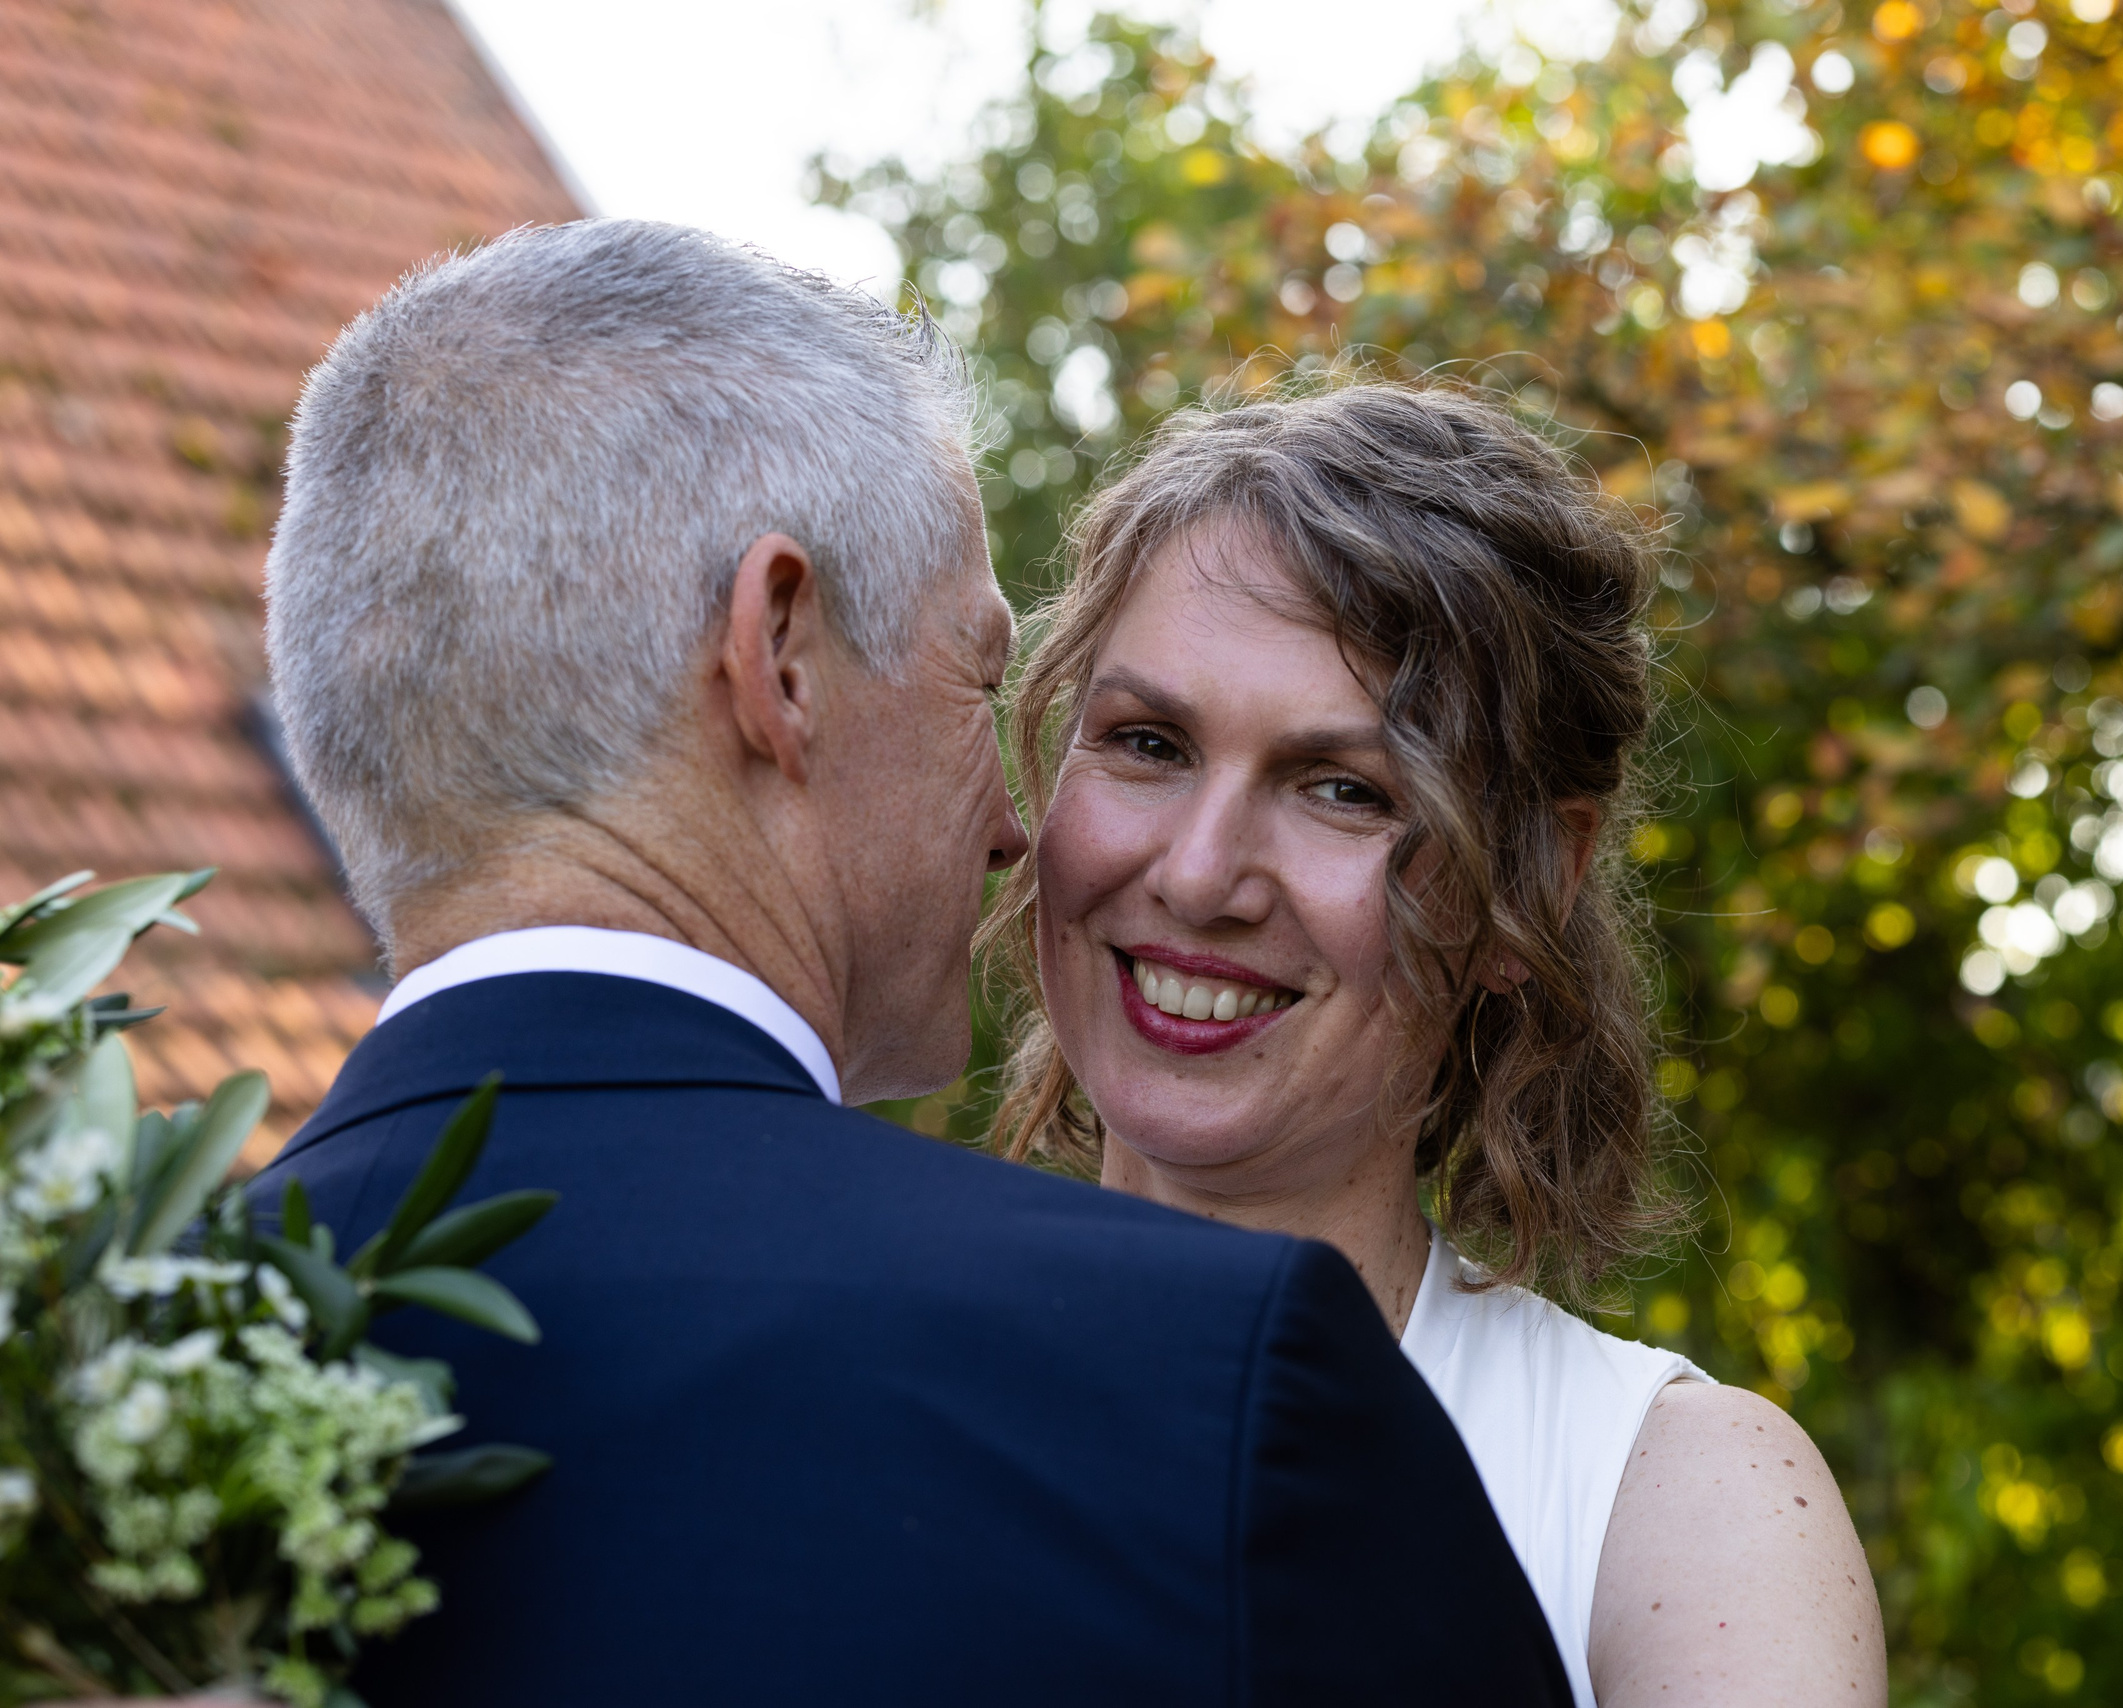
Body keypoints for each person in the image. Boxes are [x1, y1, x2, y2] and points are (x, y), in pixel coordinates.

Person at [252, 223, 1568, 1707]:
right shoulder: (1205, 1389)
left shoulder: (91, 1374)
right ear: (782, 655)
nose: (1017, 831)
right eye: (980, 677)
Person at [986, 383, 1888, 1707]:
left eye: (1344, 790)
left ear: (1535, 881)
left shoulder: (1673, 1508)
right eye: (1148, 743)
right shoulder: (862, 1374)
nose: (1197, 873)